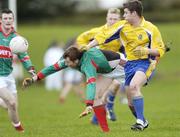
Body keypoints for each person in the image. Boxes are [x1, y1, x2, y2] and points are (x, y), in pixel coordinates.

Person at [86, 0, 165, 131]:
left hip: (146, 63)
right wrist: (87, 47)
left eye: (126, 13)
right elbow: (104, 36)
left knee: (134, 86)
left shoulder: (151, 28)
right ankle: (143, 120)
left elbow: (160, 50)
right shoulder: (122, 26)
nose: (124, 15)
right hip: (129, 65)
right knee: (130, 104)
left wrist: (146, 51)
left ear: (134, 13)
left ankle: (140, 122)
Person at [23, 46, 125, 132]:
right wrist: (33, 79)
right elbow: (52, 68)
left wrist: (88, 105)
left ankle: (140, 121)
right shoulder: (71, 60)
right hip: (107, 72)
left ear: (76, 61)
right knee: (96, 97)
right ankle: (106, 131)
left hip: (121, 66)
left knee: (134, 89)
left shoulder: (87, 64)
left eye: (68, 62)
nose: (65, 64)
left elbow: (91, 83)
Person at [76, 8, 127, 123]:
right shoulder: (98, 31)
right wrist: (86, 51)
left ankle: (109, 107)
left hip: (118, 63)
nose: (113, 21)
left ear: (120, 20)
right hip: (103, 66)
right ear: (106, 18)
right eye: (110, 18)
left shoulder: (123, 31)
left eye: (115, 19)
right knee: (99, 94)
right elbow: (80, 38)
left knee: (115, 86)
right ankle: (97, 117)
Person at [0, 9, 35, 132]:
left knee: (13, 107)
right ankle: (21, 130)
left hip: (8, 75)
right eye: (5, 18)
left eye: (10, 18)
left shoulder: (16, 38)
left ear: (13, 20)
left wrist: (31, 70)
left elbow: (23, 56)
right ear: (1, 20)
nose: (8, 21)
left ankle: (18, 130)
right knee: (11, 102)